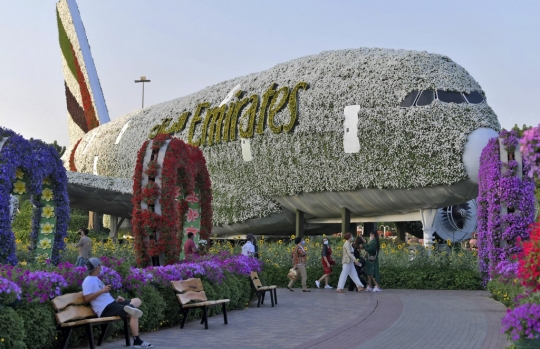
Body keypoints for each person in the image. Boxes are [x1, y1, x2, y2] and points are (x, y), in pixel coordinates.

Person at [82, 258, 153, 348]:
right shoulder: (88, 281)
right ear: (96, 267)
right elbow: (86, 298)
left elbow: (102, 297)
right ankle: (137, 341)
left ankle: (129, 307)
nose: (101, 267)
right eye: (100, 265)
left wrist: (116, 300)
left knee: (137, 300)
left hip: (112, 304)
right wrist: (101, 291)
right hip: (105, 309)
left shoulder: (95, 278)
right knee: (134, 313)